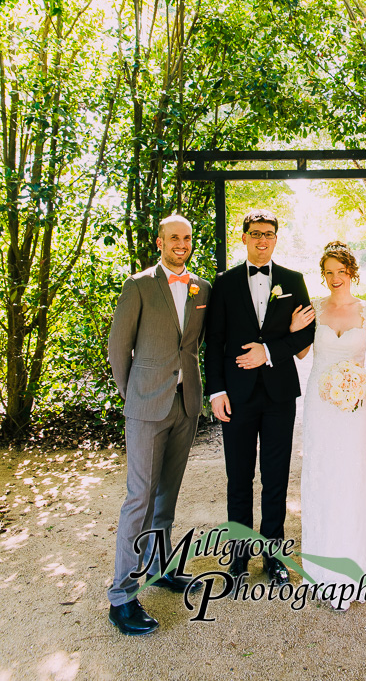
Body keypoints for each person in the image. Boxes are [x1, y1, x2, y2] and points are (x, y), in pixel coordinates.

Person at [107, 215, 211, 635]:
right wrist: (134, 397)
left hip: (185, 406)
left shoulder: (202, 288)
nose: (181, 244)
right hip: (146, 406)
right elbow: (119, 348)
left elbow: (195, 345)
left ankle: (160, 569)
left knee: (167, 496)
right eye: (173, 238)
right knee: (140, 499)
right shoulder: (138, 285)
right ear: (160, 242)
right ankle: (121, 597)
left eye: (186, 238)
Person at [204, 209, 315, 585]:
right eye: (255, 234)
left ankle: (274, 556)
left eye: (268, 234)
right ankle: (237, 556)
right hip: (235, 396)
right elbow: (214, 341)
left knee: (276, 477)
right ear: (244, 237)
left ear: (276, 238)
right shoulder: (224, 283)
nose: (262, 240)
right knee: (238, 477)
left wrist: (267, 351)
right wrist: (216, 390)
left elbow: (304, 335)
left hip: (279, 395)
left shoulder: (292, 280)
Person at [290, 241, 366, 610]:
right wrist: (293, 327)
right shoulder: (315, 309)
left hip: (354, 404)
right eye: (329, 273)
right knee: (323, 475)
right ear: (324, 275)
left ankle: (360, 562)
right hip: (320, 403)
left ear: (352, 272)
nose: (336, 279)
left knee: (353, 476)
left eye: (342, 271)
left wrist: (357, 384)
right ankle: (326, 567)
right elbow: (302, 352)